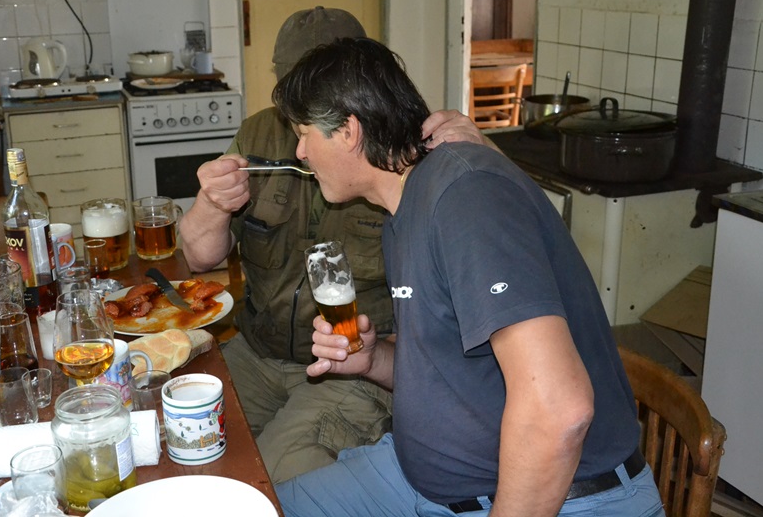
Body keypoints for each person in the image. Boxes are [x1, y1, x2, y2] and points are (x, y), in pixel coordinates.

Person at [270, 37, 665, 517]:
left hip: (566, 501)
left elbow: (559, 410)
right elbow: (457, 368)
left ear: (348, 131)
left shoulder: (465, 196)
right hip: (420, 481)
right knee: (258, 505)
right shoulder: (402, 212)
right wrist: (373, 359)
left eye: (304, 133)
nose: (300, 152)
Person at [179, 7, 491, 483]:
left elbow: (501, 235)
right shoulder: (260, 133)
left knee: (277, 475)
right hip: (258, 353)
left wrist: (481, 150)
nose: (300, 142)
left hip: (358, 365)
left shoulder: (400, 148)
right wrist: (211, 203)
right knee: (185, 442)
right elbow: (199, 258)